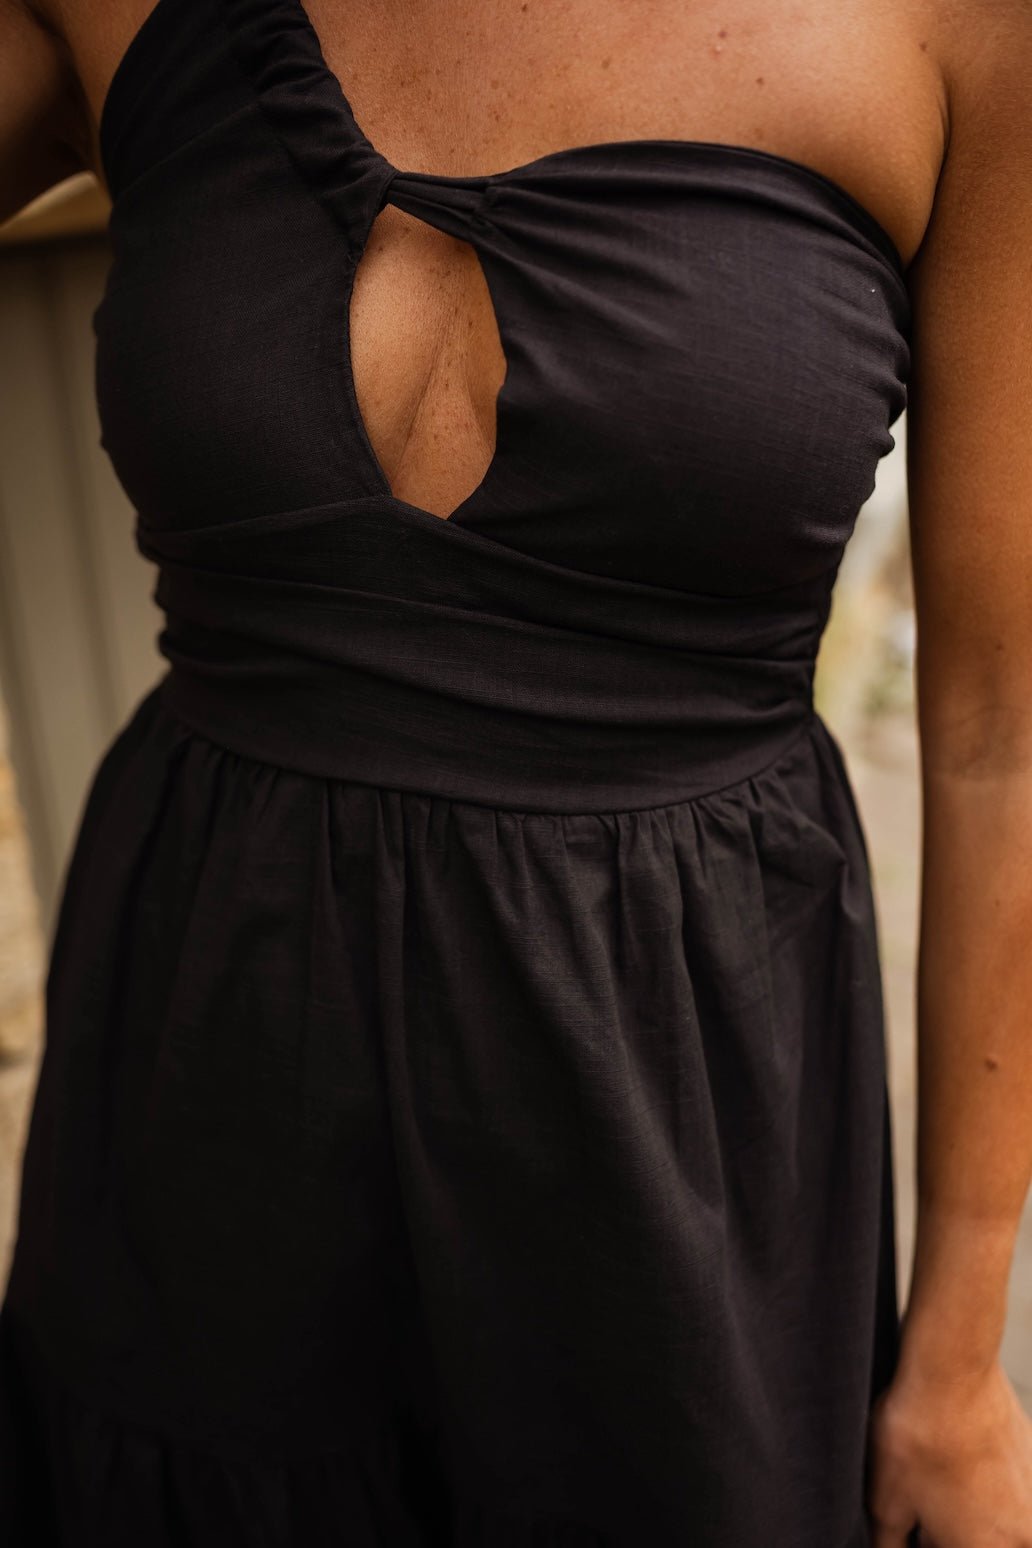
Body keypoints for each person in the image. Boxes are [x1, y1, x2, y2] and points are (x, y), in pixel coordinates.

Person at [2, 0, 1032, 1542]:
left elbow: (1000, 730)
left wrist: (953, 1360)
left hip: (669, 1149)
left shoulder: (963, 31)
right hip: (201, 1104)